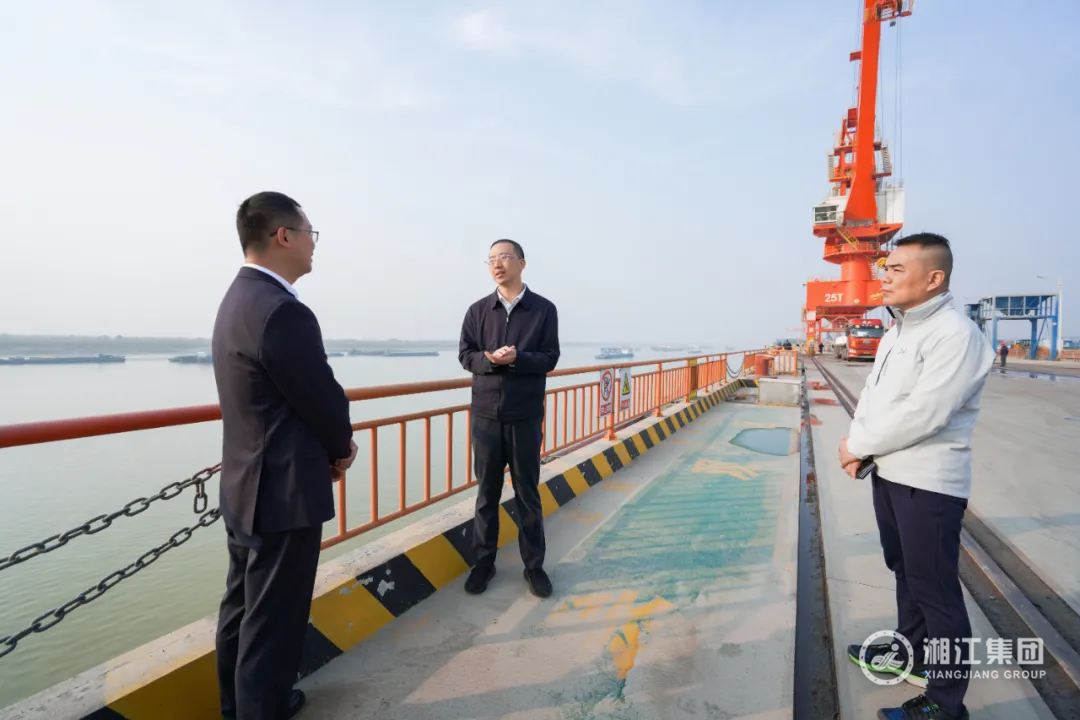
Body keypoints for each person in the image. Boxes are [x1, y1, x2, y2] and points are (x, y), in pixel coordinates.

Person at [211, 191, 358, 720]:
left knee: (242, 607)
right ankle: (263, 710)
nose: (313, 244)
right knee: (274, 618)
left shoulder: (237, 298)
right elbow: (320, 396)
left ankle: (237, 707)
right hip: (283, 491)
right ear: (284, 236)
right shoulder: (282, 311)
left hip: (245, 484)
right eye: (309, 233)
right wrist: (341, 448)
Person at [838, 233, 994, 720]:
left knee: (937, 592)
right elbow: (874, 397)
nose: (883, 277)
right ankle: (911, 652)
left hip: (928, 484)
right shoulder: (896, 332)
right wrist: (856, 444)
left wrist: (858, 446)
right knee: (905, 570)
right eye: (884, 268)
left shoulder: (956, 335)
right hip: (889, 473)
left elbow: (927, 412)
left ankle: (946, 705)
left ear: (934, 278)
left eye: (896, 269)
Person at [458, 239, 560, 598]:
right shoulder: (478, 311)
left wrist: (517, 359)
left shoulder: (543, 310)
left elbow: (550, 357)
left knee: (527, 495)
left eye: (504, 257)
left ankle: (534, 567)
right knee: (486, 495)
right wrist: (489, 360)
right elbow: (466, 355)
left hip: (524, 416)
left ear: (521, 263)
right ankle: (483, 563)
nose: (497, 265)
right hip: (485, 416)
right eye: (491, 260)